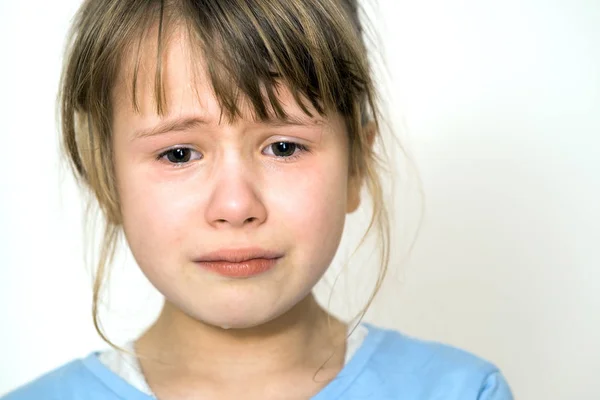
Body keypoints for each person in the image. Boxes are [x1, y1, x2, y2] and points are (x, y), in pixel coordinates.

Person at [2, 0, 513, 399]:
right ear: (104, 178)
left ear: (356, 165)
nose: (235, 205)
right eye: (179, 153)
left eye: (284, 147)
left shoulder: (462, 392)